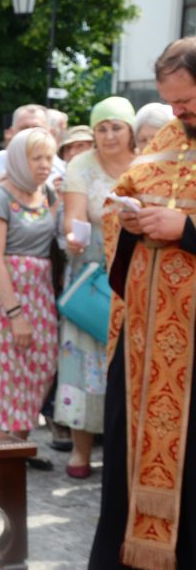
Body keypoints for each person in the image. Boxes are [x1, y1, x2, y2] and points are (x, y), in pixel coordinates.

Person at [90, 36, 196, 570]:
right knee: (125, 457)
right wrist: (129, 220)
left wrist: (188, 229)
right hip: (142, 345)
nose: (177, 114)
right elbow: (120, 199)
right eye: (170, 102)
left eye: (186, 102)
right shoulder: (167, 141)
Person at [56, 97, 135, 480]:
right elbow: (73, 217)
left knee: (128, 361)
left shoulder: (145, 164)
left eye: (116, 127)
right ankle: (80, 449)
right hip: (90, 275)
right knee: (82, 361)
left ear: (130, 130)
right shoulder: (81, 166)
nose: (109, 135)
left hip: (133, 275)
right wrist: (73, 236)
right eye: (101, 128)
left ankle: (127, 450)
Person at [0, 128, 60, 444]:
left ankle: (19, 444)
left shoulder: (47, 193)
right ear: (17, 160)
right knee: (9, 373)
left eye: (49, 157)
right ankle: (0, 451)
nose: (44, 165)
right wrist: (15, 314)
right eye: (36, 158)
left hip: (40, 292)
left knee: (42, 365)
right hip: (8, 293)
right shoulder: (0, 197)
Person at [0, 104, 53, 277]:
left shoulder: (58, 168)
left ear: (49, 132)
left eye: (36, 128)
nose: (30, 134)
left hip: (45, 271)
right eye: (24, 128)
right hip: (3, 267)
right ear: (11, 132)